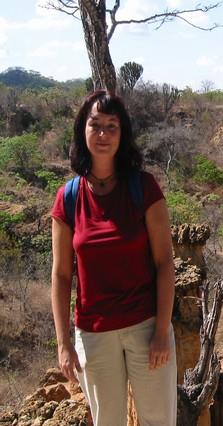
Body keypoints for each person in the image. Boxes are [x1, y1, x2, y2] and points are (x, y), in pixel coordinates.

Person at [50, 90, 177, 425]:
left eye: (112, 126)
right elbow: (61, 276)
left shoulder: (144, 188)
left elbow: (165, 263)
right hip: (94, 335)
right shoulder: (68, 198)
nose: (103, 134)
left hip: (146, 328)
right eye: (96, 125)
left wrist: (162, 330)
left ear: (123, 135)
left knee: (158, 420)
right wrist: (64, 344)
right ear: (83, 130)